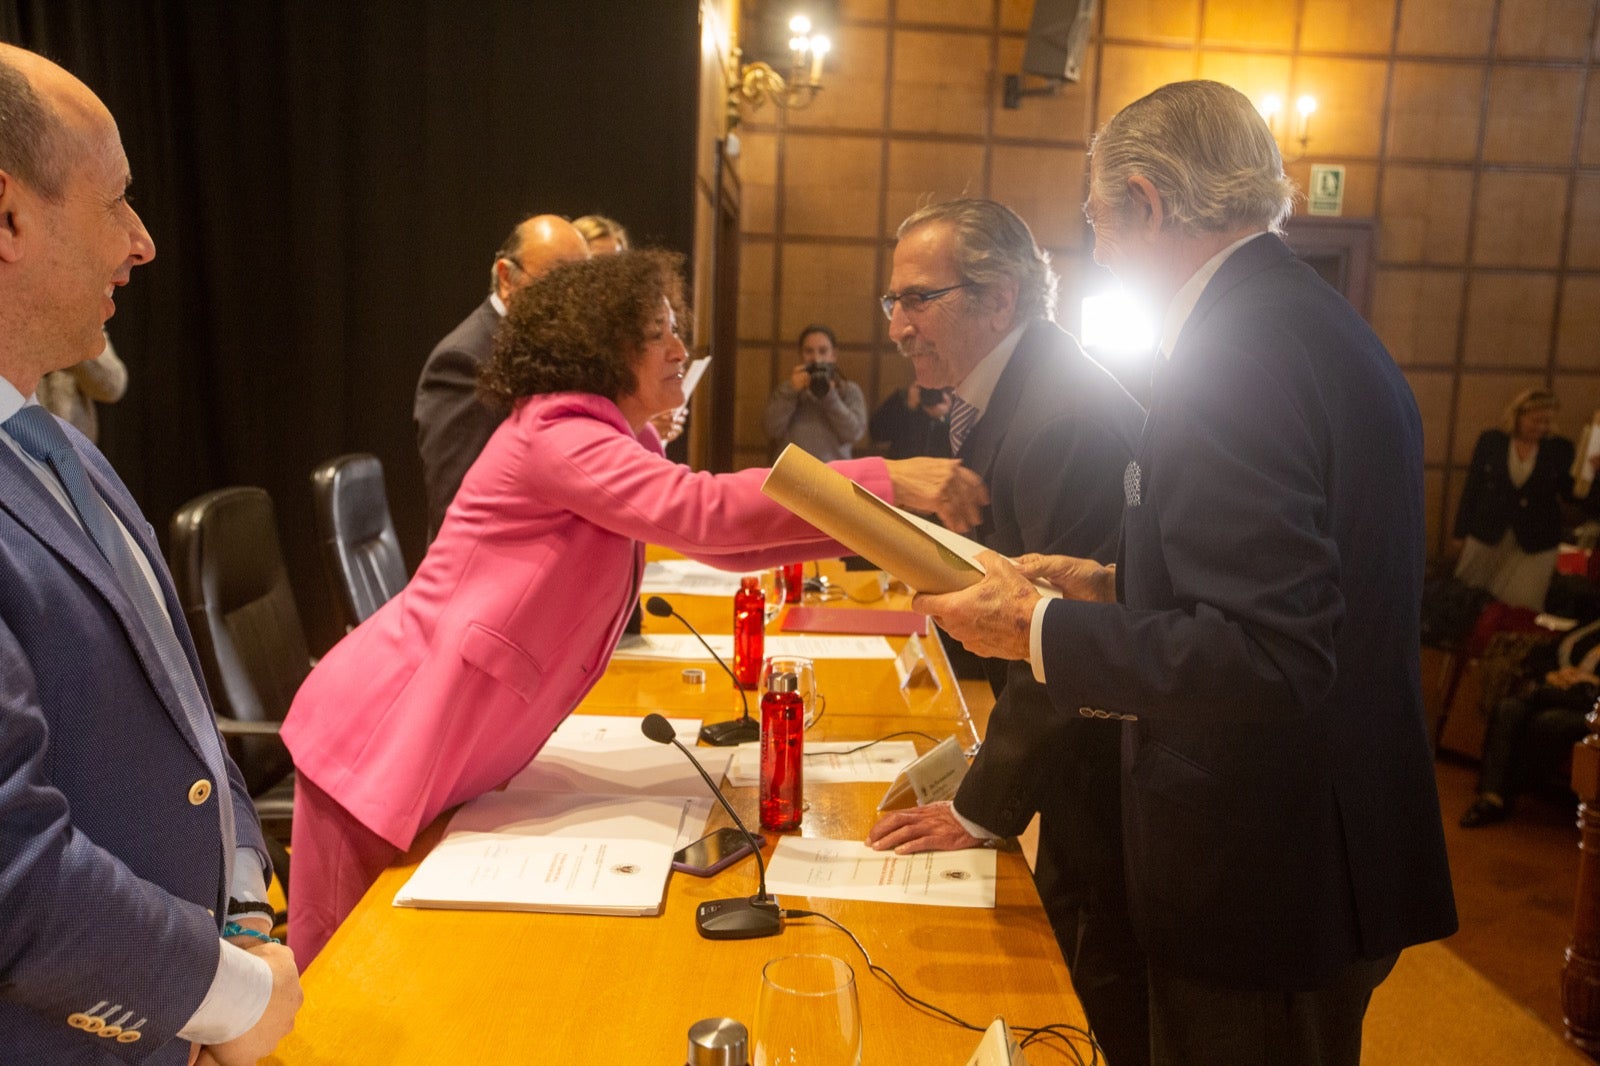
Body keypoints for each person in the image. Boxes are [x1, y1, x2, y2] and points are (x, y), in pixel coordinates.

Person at [913, 81, 1457, 1065]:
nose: (1096, 252)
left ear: (1146, 202)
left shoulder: (1229, 353)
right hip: (1325, 838)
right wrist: (1114, 587)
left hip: (1259, 861)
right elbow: (1301, 585)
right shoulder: (1313, 322)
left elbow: (1272, 652)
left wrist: (1034, 628)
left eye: (1095, 224)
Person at [282, 250, 987, 965]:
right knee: (335, 984)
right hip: (379, 740)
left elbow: (724, 547)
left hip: (437, 739)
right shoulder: (559, 433)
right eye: (660, 333)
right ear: (604, 346)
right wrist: (882, 482)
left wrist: (872, 524)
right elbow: (705, 515)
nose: (681, 349)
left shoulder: (602, 437)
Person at [0, 43, 301, 1063]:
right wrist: (233, 996)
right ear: (7, 218)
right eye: (117, 201)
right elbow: (13, 874)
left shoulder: (58, 446)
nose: (143, 242)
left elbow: (184, 724)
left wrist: (249, 910)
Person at [862, 199, 1148, 1063]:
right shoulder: (1022, 389)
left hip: (1109, 770)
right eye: (893, 304)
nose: (900, 326)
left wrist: (982, 809)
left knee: (1097, 980)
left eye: (919, 299)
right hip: (1076, 759)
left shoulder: (1061, 414)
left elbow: (1061, 640)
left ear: (1001, 297)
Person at [414, 214, 590, 539]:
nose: (571, 300)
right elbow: (461, 512)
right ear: (507, 278)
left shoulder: (549, 346)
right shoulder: (464, 362)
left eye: (581, 285)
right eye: (556, 282)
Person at [1461, 615, 1600, 827]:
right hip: (1554, 693)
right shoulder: (1590, 624)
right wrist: (1553, 674)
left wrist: (1591, 681)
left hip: (1590, 708)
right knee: (1508, 708)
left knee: (1550, 722)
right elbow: (1547, 652)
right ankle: (1491, 796)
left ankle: (1505, 789)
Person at [1453, 389, 1584, 611]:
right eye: (1536, 420)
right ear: (1518, 416)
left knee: (1523, 604)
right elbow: (1472, 488)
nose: (1541, 427)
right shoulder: (1491, 441)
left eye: (1546, 422)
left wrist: (1589, 473)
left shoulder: (1559, 449)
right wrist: (1460, 532)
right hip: (1488, 531)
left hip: (1536, 541)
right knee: (1470, 598)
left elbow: (1570, 494)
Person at [762, 324, 868, 461]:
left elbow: (855, 434)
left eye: (823, 351)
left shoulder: (848, 391)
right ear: (801, 354)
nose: (816, 359)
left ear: (834, 355)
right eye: (809, 351)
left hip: (834, 475)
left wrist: (830, 398)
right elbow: (771, 430)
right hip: (792, 473)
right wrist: (791, 393)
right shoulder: (787, 390)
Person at [37, 332, 126, 443]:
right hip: (18, 446)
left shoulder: (75, 318)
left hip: (72, 448)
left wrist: (69, 340)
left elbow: (113, 386)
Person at [868, 383, 949, 460]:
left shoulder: (948, 400)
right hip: (902, 464)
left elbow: (953, 447)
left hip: (938, 467)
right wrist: (908, 408)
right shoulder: (902, 398)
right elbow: (876, 434)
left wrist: (944, 417)